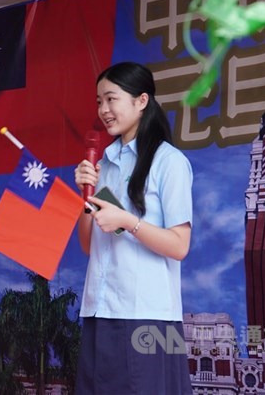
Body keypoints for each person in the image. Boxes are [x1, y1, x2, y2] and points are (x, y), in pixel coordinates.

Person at [73, 62, 193, 394]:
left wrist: (128, 221)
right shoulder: (103, 164)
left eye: (111, 99)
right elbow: (88, 245)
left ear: (141, 101)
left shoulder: (169, 162)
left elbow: (180, 245)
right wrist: (85, 195)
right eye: (99, 101)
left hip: (148, 316)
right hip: (100, 310)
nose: (103, 110)